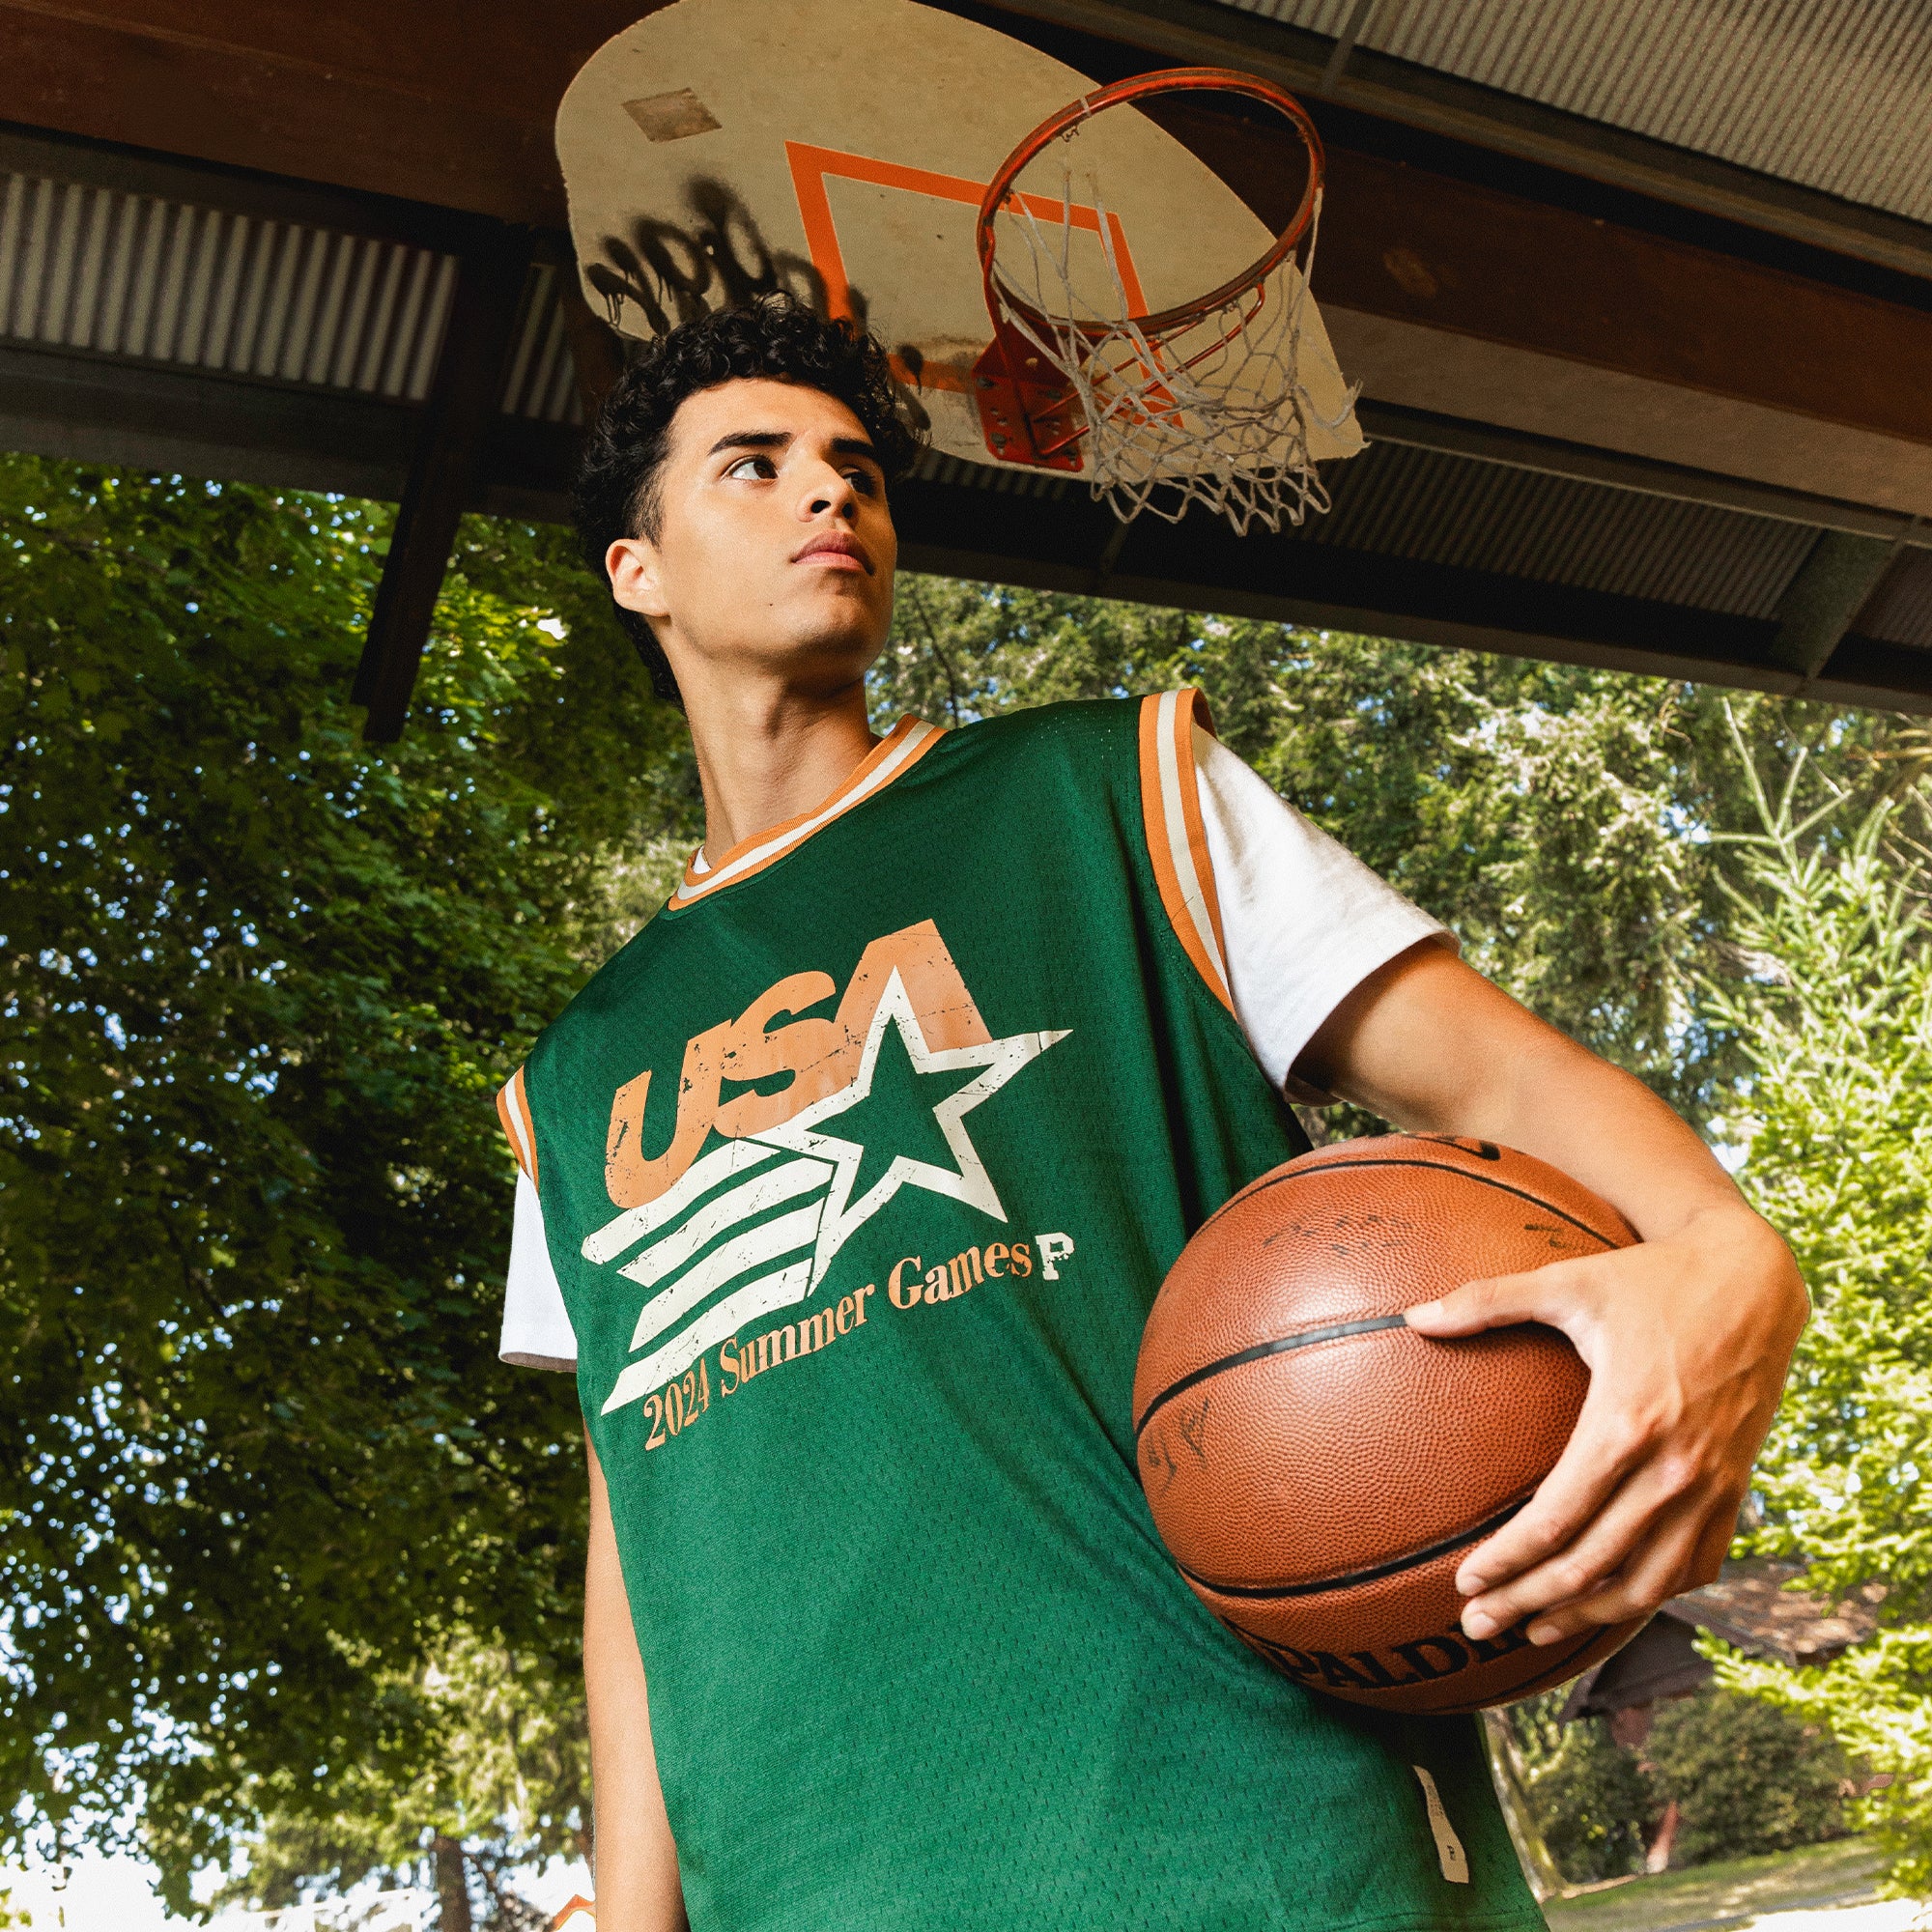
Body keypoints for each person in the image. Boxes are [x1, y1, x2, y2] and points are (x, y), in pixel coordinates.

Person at [495, 294, 1805, 1932]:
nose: (831, 494)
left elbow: (1510, 1083)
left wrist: (1726, 1255)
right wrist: (633, 1908)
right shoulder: (569, 1081)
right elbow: (643, 1501)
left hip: (1241, 1849)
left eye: (854, 469)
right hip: (812, 1885)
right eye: (753, 467)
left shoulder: (1120, 792)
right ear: (640, 570)